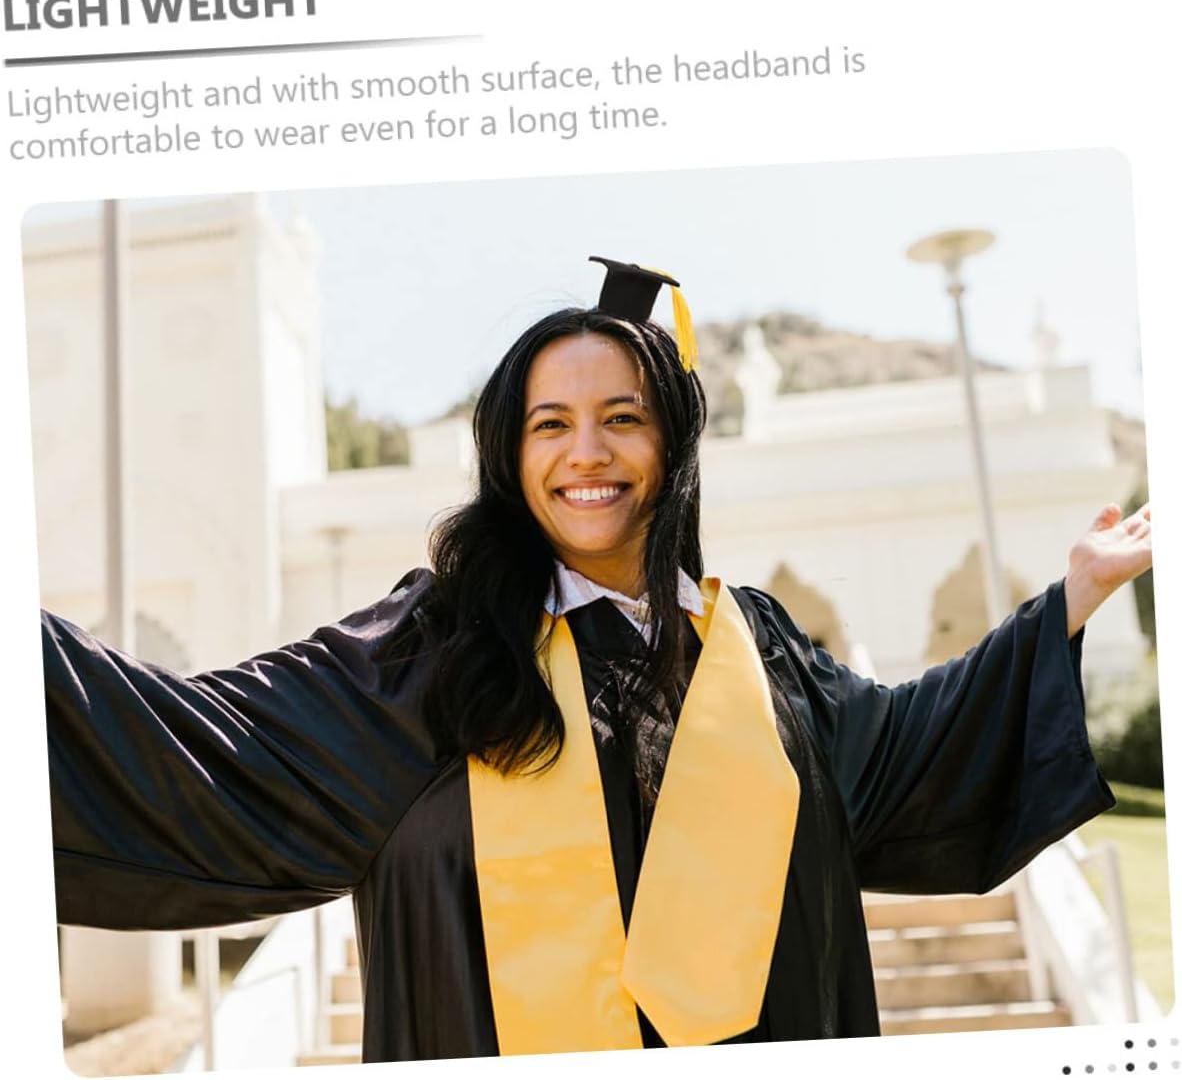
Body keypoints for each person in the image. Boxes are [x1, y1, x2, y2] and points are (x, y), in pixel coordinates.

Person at [43, 258, 1153, 1061]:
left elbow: (910, 750)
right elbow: (199, 749)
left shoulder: (751, 649)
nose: (587, 453)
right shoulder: (432, 652)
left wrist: (1068, 601)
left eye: (623, 417)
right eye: (550, 424)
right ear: (509, 452)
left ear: (672, 444)